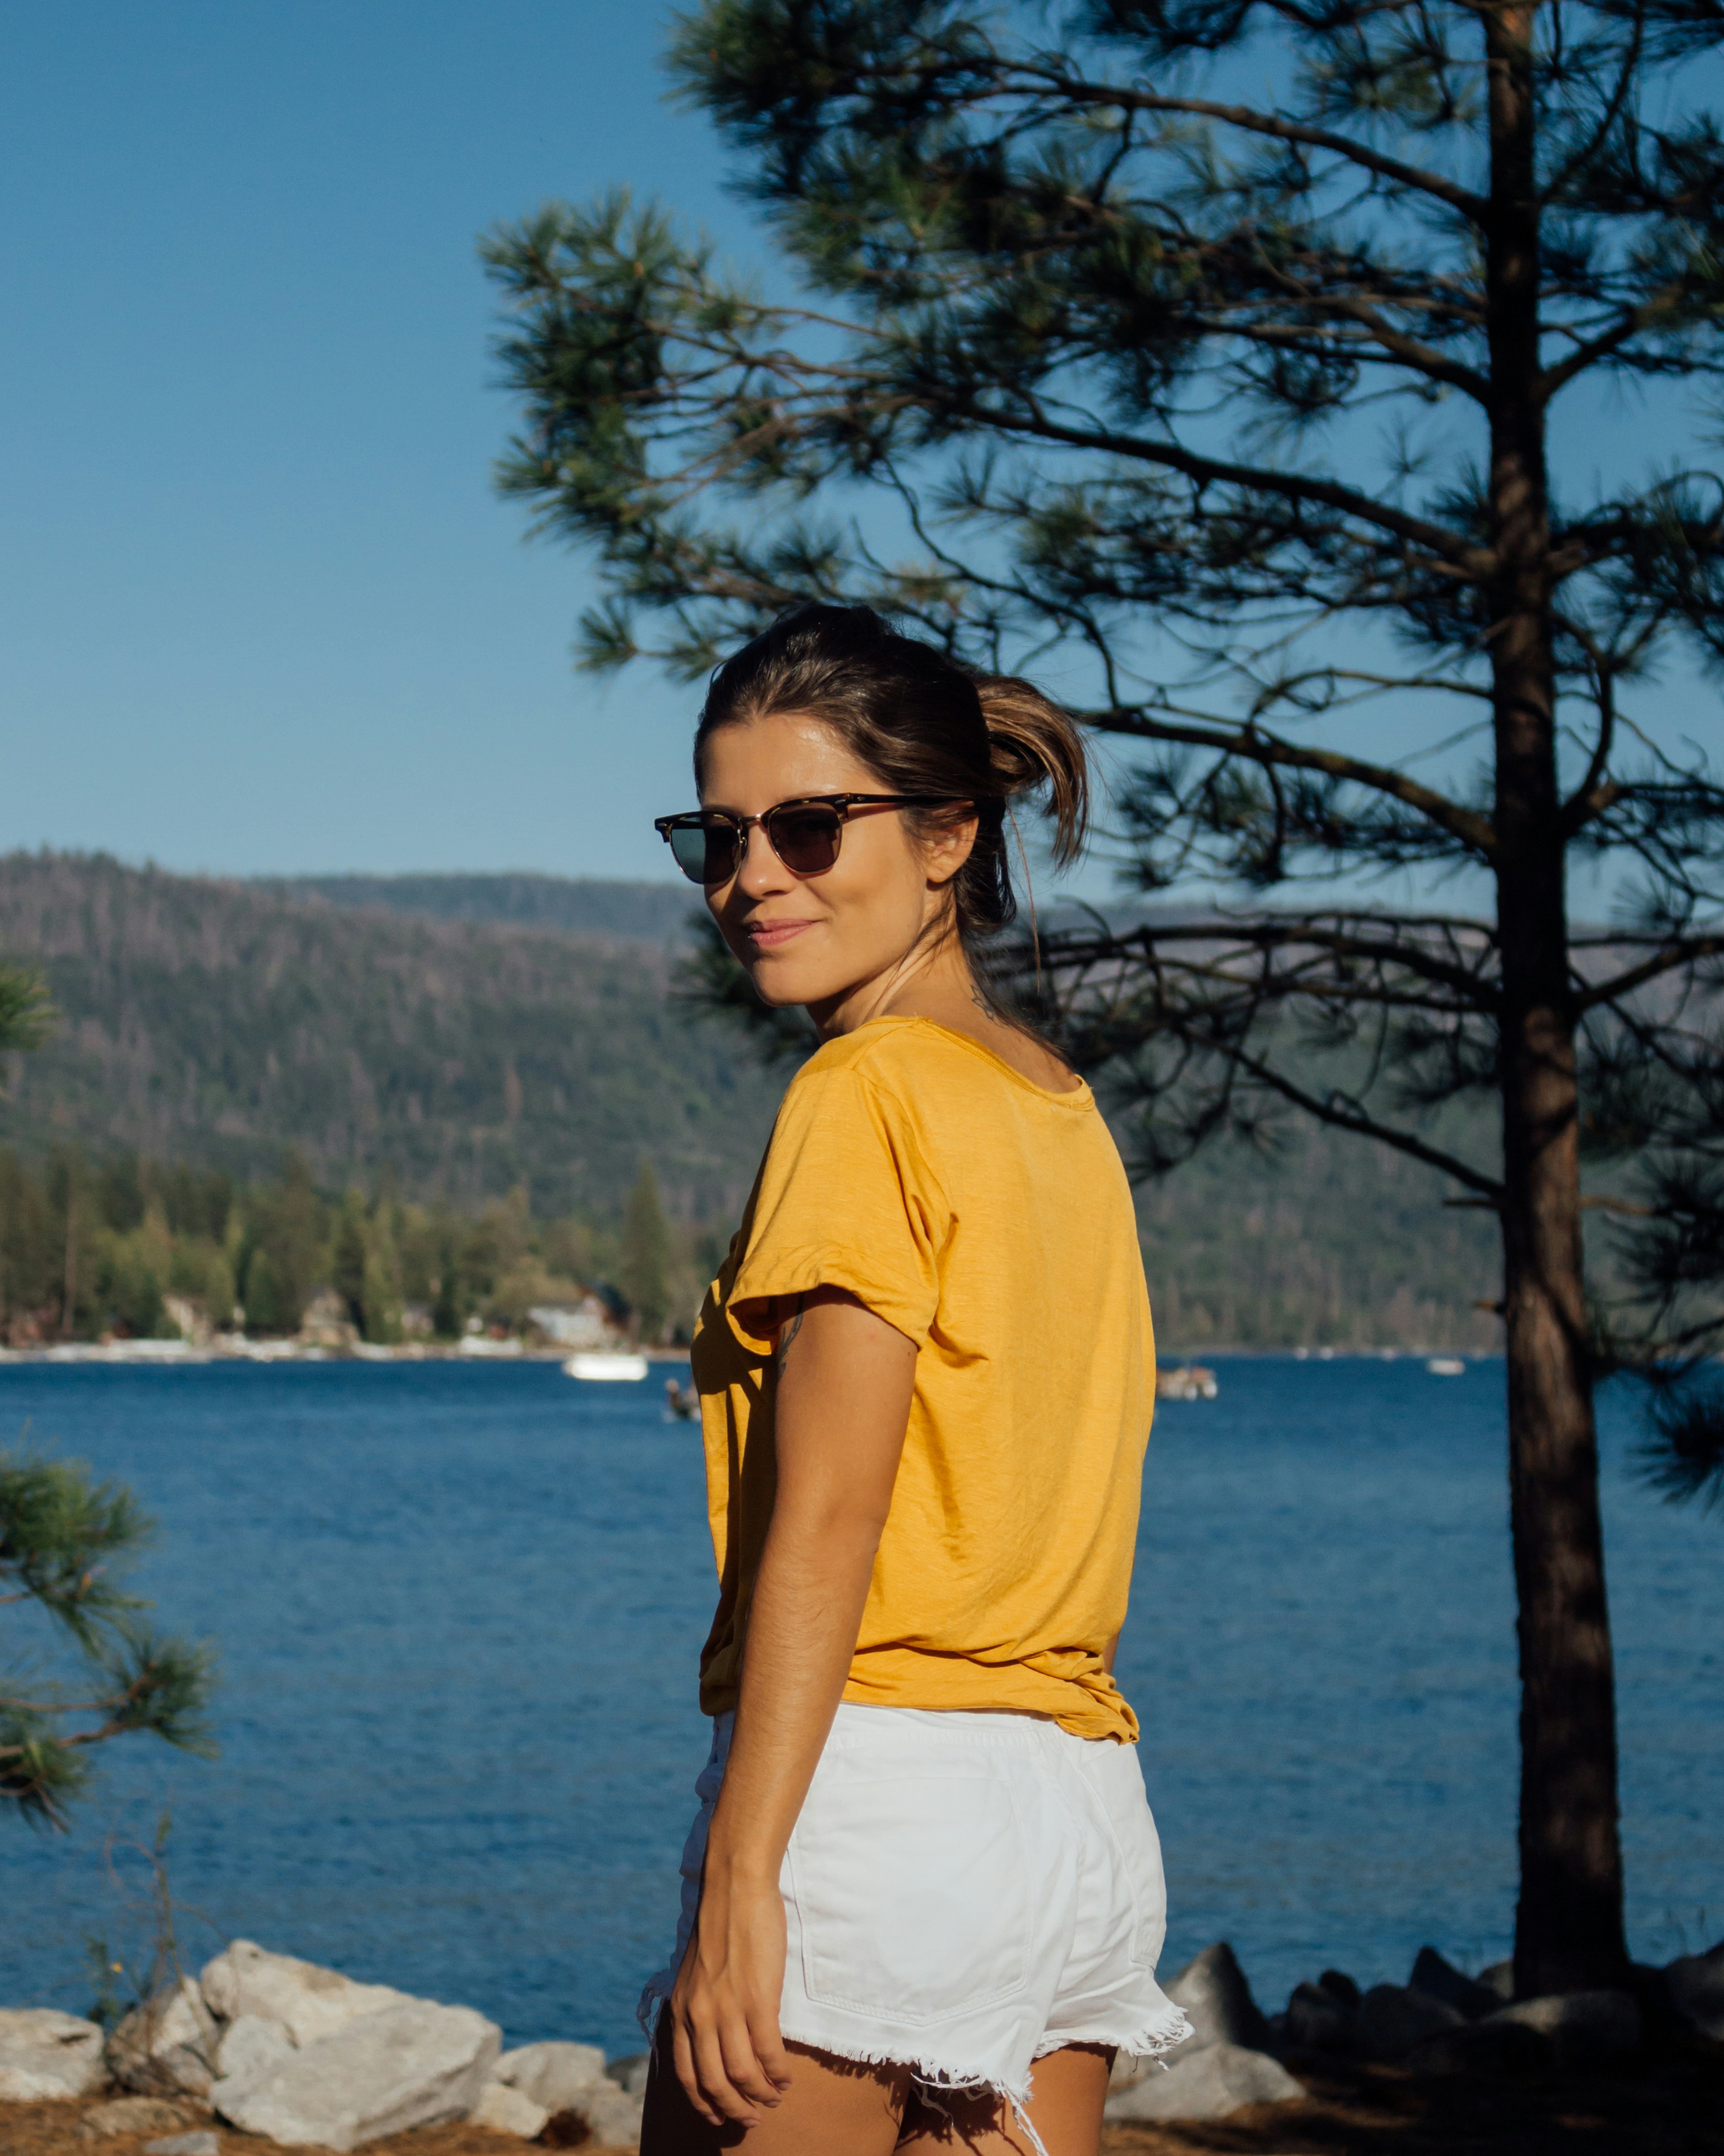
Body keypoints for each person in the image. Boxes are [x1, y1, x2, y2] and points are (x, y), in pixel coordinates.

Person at [638, 605, 1188, 2155]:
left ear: (949, 835)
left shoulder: (864, 1088)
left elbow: (830, 1513)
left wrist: (746, 1874)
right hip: (1074, 1806)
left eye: (810, 827)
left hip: (868, 1799)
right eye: (720, 834)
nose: (755, 876)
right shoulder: (1056, 1104)